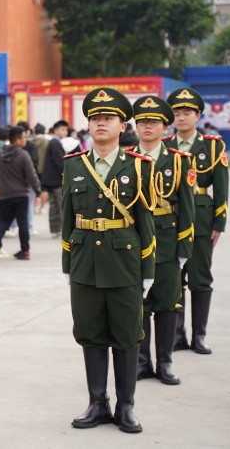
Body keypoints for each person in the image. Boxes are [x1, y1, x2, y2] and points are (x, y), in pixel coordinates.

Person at [62, 87, 156, 434]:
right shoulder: (74, 166)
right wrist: (67, 266)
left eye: (108, 118)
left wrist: (147, 270)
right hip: (85, 261)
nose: (101, 123)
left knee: (127, 335)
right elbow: (68, 219)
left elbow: (146, 224)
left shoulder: (139, 166)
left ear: (122, 125)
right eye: (95, 118)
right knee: (90, 333)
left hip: (124, 262)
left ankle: (126, 406)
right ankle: (97, 402)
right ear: (88, 125)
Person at [131, 95, 194, 385]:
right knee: (138, 304)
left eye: (153, 121)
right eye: (142, 121)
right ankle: (142, 362)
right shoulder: (126, 158)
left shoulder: (179, 161)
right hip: (134, 242)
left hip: (167, 241)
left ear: (163, 126)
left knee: (168, 304)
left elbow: (187, 209)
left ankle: (165, 363)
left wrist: (184, 249)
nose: (147, 126)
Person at [163, 88, 227, 354]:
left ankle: (199, 336)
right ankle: (177, 335)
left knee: (200, 278)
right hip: (171, 220)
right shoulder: (165, 146)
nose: (181, 118)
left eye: (186, 113)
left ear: (198, 115)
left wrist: (219, 223)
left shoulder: (212, 146)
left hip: (201, 220)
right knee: (173, 279)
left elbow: (222, 188)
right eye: (176, 113)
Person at [0, 126, 41, 261]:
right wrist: (38, 192)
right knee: (22, 222)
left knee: (4, 220)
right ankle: (25, 250)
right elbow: (31, 176)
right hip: (21, 194)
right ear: (17, 140)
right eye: (24, 137)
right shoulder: (23, 155)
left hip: (5, 194)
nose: (25, 140)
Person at [41, 120, 70, 237]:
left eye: (66, 129)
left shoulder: (53, 142)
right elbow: (59, 162)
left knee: (54, 206)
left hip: (51, 180)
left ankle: (55, 230)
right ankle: (64, 230)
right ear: (56, 130)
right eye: (63, 129)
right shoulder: (56, 143)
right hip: (58, 180)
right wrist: (66, 175)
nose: (65, 132)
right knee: (61, 205)